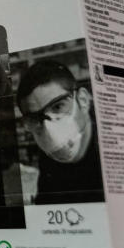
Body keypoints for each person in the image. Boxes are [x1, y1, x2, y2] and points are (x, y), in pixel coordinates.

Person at [15, 60, 103, 205]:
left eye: (57, 107)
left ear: (83, 100)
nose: (49, 129)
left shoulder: (114, 145)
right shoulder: (48, 153)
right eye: (35, 118)